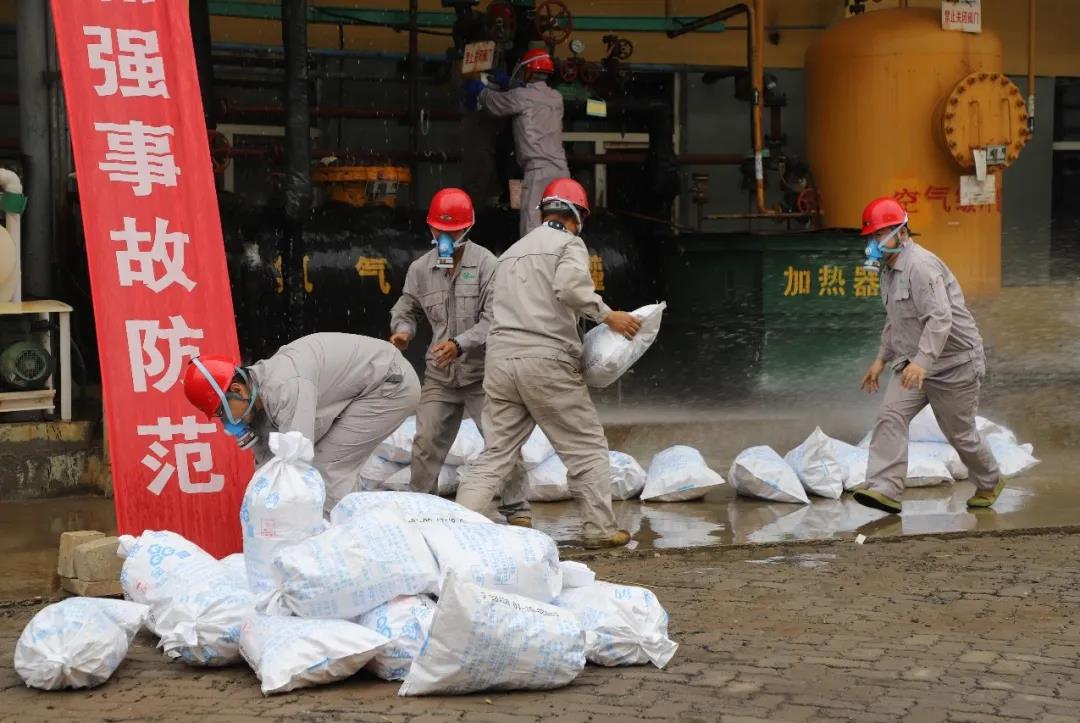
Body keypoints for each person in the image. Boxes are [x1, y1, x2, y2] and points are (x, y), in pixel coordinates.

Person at [454, 178, 641, 549]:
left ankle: (458, 533)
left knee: (496, 453)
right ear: (578, 216)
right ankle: (600, 530)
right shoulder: (568, 244)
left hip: (501, 362)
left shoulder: (509, 254)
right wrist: (608, 316)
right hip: (546, 361)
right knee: (585, 446)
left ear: (544, 212)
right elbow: (570, 290)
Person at [852, 197, 1004, 515]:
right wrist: (881, 360)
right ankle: (885, 489)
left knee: (958, 432)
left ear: (902, 231)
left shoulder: (921, 266)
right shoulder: (889, 271)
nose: (874, 243)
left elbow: (940, 318)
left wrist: (923, 361)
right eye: (871, 236)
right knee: (890, 416)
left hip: (954, 364)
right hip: (913, 363)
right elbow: (896, 320)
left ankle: (990, 480)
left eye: (880, 235)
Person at [389, 187, 531, 525]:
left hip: (483, 374)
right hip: (440, 373)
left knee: (501, 441)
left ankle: (518, 508)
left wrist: (460, 343)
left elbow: (495, 318)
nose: (444, 237)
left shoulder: (486, 265)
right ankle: (423, 509)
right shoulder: (420, 269)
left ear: (466, 230)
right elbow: (406, 307)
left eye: (451, 232)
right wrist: (402, 331)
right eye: (439, 231)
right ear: (430, 228)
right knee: (426, 441)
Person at [182, 333, 420, 512]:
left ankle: (343, 548)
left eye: (222, 412)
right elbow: (268, 464)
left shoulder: (285, 388)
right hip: (362, 386)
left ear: (236, 389)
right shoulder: (255, 394)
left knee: (328, 469)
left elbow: (297, 460)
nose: (226, 421)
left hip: (388, 385)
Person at [465, 49, 569, 237]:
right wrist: (510, 83)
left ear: (527, 72)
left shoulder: (521, 96)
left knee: (532, 232)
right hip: (561, 172)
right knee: (561, 228)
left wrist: (479, 91)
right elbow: (531, 93)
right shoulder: (556, 98)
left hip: (537, 173)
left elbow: (497, 103)